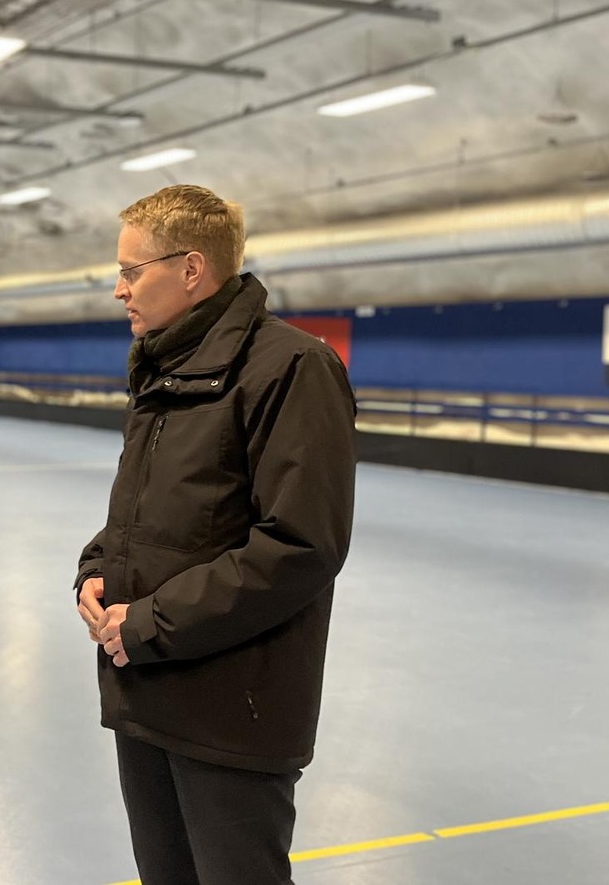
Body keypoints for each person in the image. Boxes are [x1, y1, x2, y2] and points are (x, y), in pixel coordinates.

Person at [75, 185, 357, 885]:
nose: (119, 289)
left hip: (231, 710)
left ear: (191, 269)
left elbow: (300, 545)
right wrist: (97, 567)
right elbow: (147, 511)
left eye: (131, 271)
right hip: (147, 687)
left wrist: (151, 622)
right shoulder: (162, 368)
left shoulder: (291, 368)